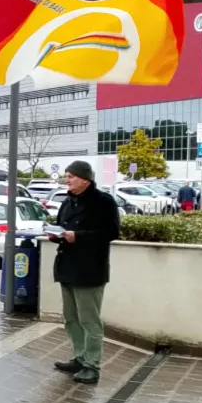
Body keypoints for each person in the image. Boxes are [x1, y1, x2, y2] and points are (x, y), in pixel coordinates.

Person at [52, 161, 120, 386]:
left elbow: (111, 233)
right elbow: (60, 226)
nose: (67, 180)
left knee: (89, 320)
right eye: (66, 176)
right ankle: (79, 358)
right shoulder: (68, 201)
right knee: (71, 318)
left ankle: (92, 366)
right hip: (67, 266)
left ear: (85, 179)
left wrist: (78, 236)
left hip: (90, 269)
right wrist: (56, 234)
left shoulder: (103, 202)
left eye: (71, 176)